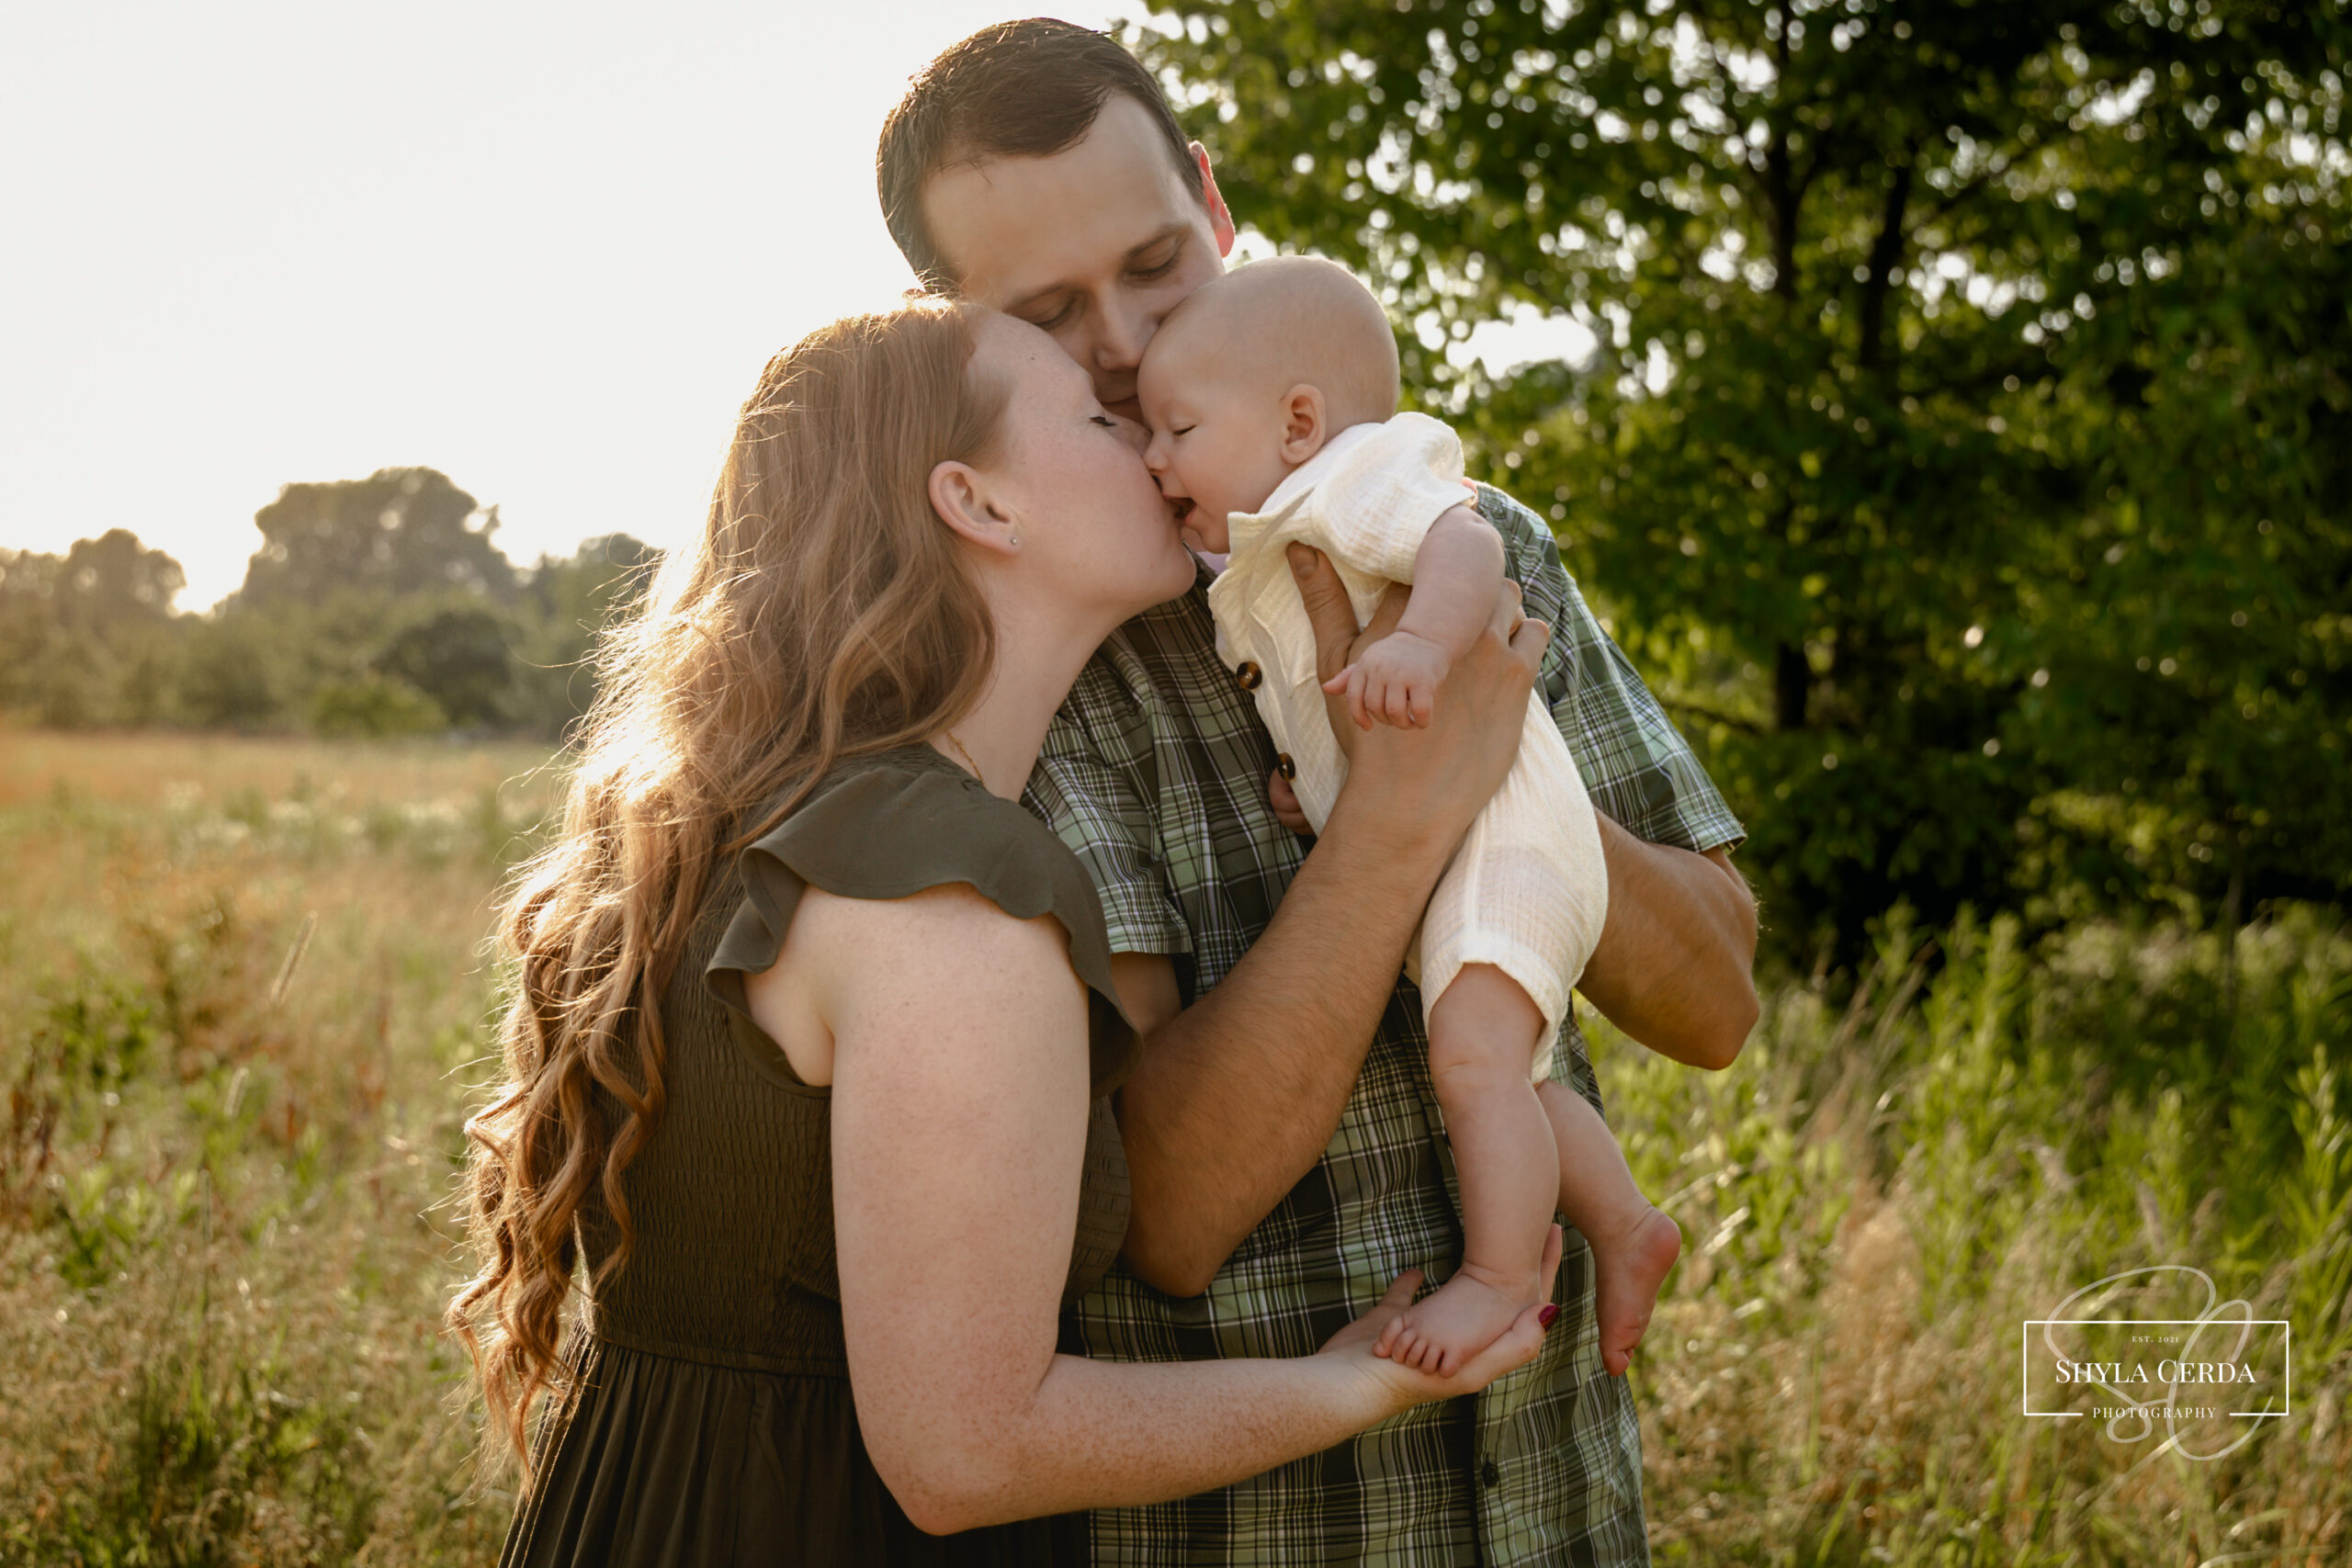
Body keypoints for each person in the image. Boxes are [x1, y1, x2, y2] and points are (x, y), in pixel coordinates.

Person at [449, 299, 1566, 1565]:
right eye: (1097, 419)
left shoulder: (755, 820)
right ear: (981, 505)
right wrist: (1359, 1380)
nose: (1147, 439)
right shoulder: (949, 893)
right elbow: (969, 1451)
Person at [876, 20, 1758, 1564]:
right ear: (955, 323)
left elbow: (1719, 1006)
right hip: (1263, 1530)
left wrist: (1504, 784)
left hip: (1557, 1506)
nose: (1133, 340)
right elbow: (1168, 1219)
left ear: (1214, 205)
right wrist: (1397, 819)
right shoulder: (1033, 652)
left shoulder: (1464, 535)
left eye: (1156, 262)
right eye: (1053, 311)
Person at [1136, 254, 1686, 1381]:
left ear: (1297, 421)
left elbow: (1464, 542)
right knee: (1514, 1072)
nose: (1151, 458)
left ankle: (1494, 1278)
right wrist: (1321, 794)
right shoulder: (1275, 535)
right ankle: (1627, 1222)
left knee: (1474, 1064)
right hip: (1467, 832)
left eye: (1176, 428)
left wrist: (1423, 647)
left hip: (1508, 830)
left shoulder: (1350, 474)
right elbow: (1340, 719)